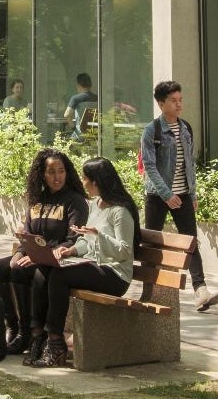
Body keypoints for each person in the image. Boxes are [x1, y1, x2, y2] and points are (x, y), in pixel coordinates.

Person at [32, 157, 141, 367]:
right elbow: (86, 240)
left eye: (85, 179)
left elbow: (125, 252)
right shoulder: (95, 205)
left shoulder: (121, 211)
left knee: (60, 276)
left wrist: (99, 235)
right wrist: (70, 250)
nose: (83, 183)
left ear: (97, 182)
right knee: (48, 270)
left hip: (115, 274)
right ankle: (42, 336)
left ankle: (55, 344)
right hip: (94, 265)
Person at [0, 148, 88, 364]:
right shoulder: (37, 199)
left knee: (20, 270)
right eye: (51, 172)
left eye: (61, 171)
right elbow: (28, 232)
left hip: (57, 258)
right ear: (42, 174)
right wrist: (22, 250)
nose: (57, 177)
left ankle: (30, 334)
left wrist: (38, 256)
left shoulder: (75, 201)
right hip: (33, 254)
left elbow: (72, 240)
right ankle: (14, 327)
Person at [140, 80, 218, 312]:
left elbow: (190, 163)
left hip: (184, 193)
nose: (179, 105)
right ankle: (148, 291)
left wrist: (192, 193)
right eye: (173, 101)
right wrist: (166, 194)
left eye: (180, 100)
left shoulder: (185, 127)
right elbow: (149, 165)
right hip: (158, 196)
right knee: (152, 245)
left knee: (191, 242)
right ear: (161, 103)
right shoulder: (152, 130)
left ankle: (201, 291)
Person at [62, 73, 98, 137]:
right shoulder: (98, 98)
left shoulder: (76, 98)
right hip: (95, 134)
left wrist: (74, 128)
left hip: (80, 134)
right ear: (90, 85)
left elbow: (66, 115)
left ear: (78, 85)